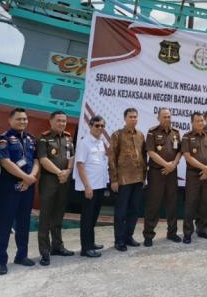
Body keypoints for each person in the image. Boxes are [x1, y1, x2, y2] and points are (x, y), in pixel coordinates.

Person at [0, 108, 39, 275]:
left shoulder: (31, 139)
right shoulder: (4, 139)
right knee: (4, 224)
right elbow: (5, 162)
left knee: (24, 222)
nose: (23, 122)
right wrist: (25, 178)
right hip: (9, 187)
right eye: (19, 119)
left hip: (27, 187)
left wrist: (31, 177)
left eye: (25, 119)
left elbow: (36, 160)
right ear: (10, 121)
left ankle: (21, 255)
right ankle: (0, 261)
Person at [36, 111, 75, 266]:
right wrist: (60, 172)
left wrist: (68, 171)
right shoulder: (43, 138)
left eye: (64, 121)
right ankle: (45, 252)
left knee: (59, 215)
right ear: (51, 122)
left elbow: (71, 156)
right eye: (59, 121)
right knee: (45, 217)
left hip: (64, 181)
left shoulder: (68, 137)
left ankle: (57, 246)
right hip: (49, 181)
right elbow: (43, 159)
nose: (62, 124)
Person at [108, 108, 147, 252]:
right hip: (123, 180)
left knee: (135, 210)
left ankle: (128, 237)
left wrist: (144, 177)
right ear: (124, 118)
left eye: (135, 117)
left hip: (138, 179)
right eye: (131, 117)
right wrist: (113, 179)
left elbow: (144, 157)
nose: (133, 119)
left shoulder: (141, 135)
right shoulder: (117, 135)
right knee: (121, 212)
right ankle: (119, 240)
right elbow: (111, 158)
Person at [143, 108, 182, 246]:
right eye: (164, 117)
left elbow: (179, 152)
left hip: (172, 172)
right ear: (158, 118)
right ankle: (148, 235)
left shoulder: (176, 133)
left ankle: (172, 233)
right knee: (154, 204)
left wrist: (174, 164)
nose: (167, 119)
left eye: (169, 116)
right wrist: (166, 164)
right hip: (156, 173)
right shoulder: (152, 132)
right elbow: (151, 152)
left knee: (172, 203)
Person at [74, 115, 108, 257]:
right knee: (87, 218)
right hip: (89, 187)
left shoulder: (100, 142)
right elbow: (80, 165)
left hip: (99, 186)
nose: (99, 128)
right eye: (97, 126)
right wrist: (87, 186)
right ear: (90, 126)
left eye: (102, 126)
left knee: (93, 217)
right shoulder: (84, 143)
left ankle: (91, 243)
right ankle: (85, 248)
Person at [182, 112, 207, 244]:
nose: (200, 123)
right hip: (193, 175)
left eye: (202, 120)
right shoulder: (187, 137)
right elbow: (187, 156)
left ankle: (203, 230)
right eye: (197, 121)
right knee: (191, 203)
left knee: (206, 203)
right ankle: (187, 232)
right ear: (192, 122)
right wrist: (205, 168)